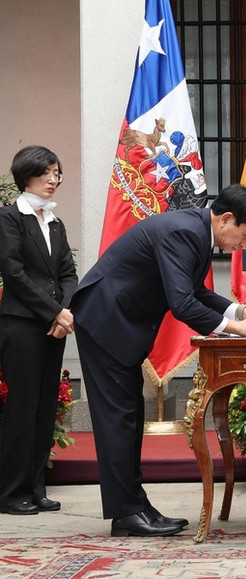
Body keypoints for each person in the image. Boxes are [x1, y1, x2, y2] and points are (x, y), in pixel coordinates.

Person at [71, 184, 246, 537]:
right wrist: (236, 329)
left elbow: (196, 291)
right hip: (105, 321)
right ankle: (126, 514)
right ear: (226, 219)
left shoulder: (196, 231)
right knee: (119, 420)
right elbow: (182, 303)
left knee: (129, 417)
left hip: (120, 324)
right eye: (245, 236)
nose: (243, 245)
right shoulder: (184, 233)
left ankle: (136, 507)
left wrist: (243, 311)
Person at [0, 146, 78, 516]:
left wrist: (65, 312)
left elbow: (68, 274)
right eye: (46, 172)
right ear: (26, 174)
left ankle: (36, 488)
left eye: (57, 173)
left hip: (52, 326)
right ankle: (12, 492)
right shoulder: (9, 218)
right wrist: (56, 313)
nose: (53, 179)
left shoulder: (56, 223)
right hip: (21, 325)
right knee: (22, 407)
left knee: (46, 407)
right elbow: (13, 274)